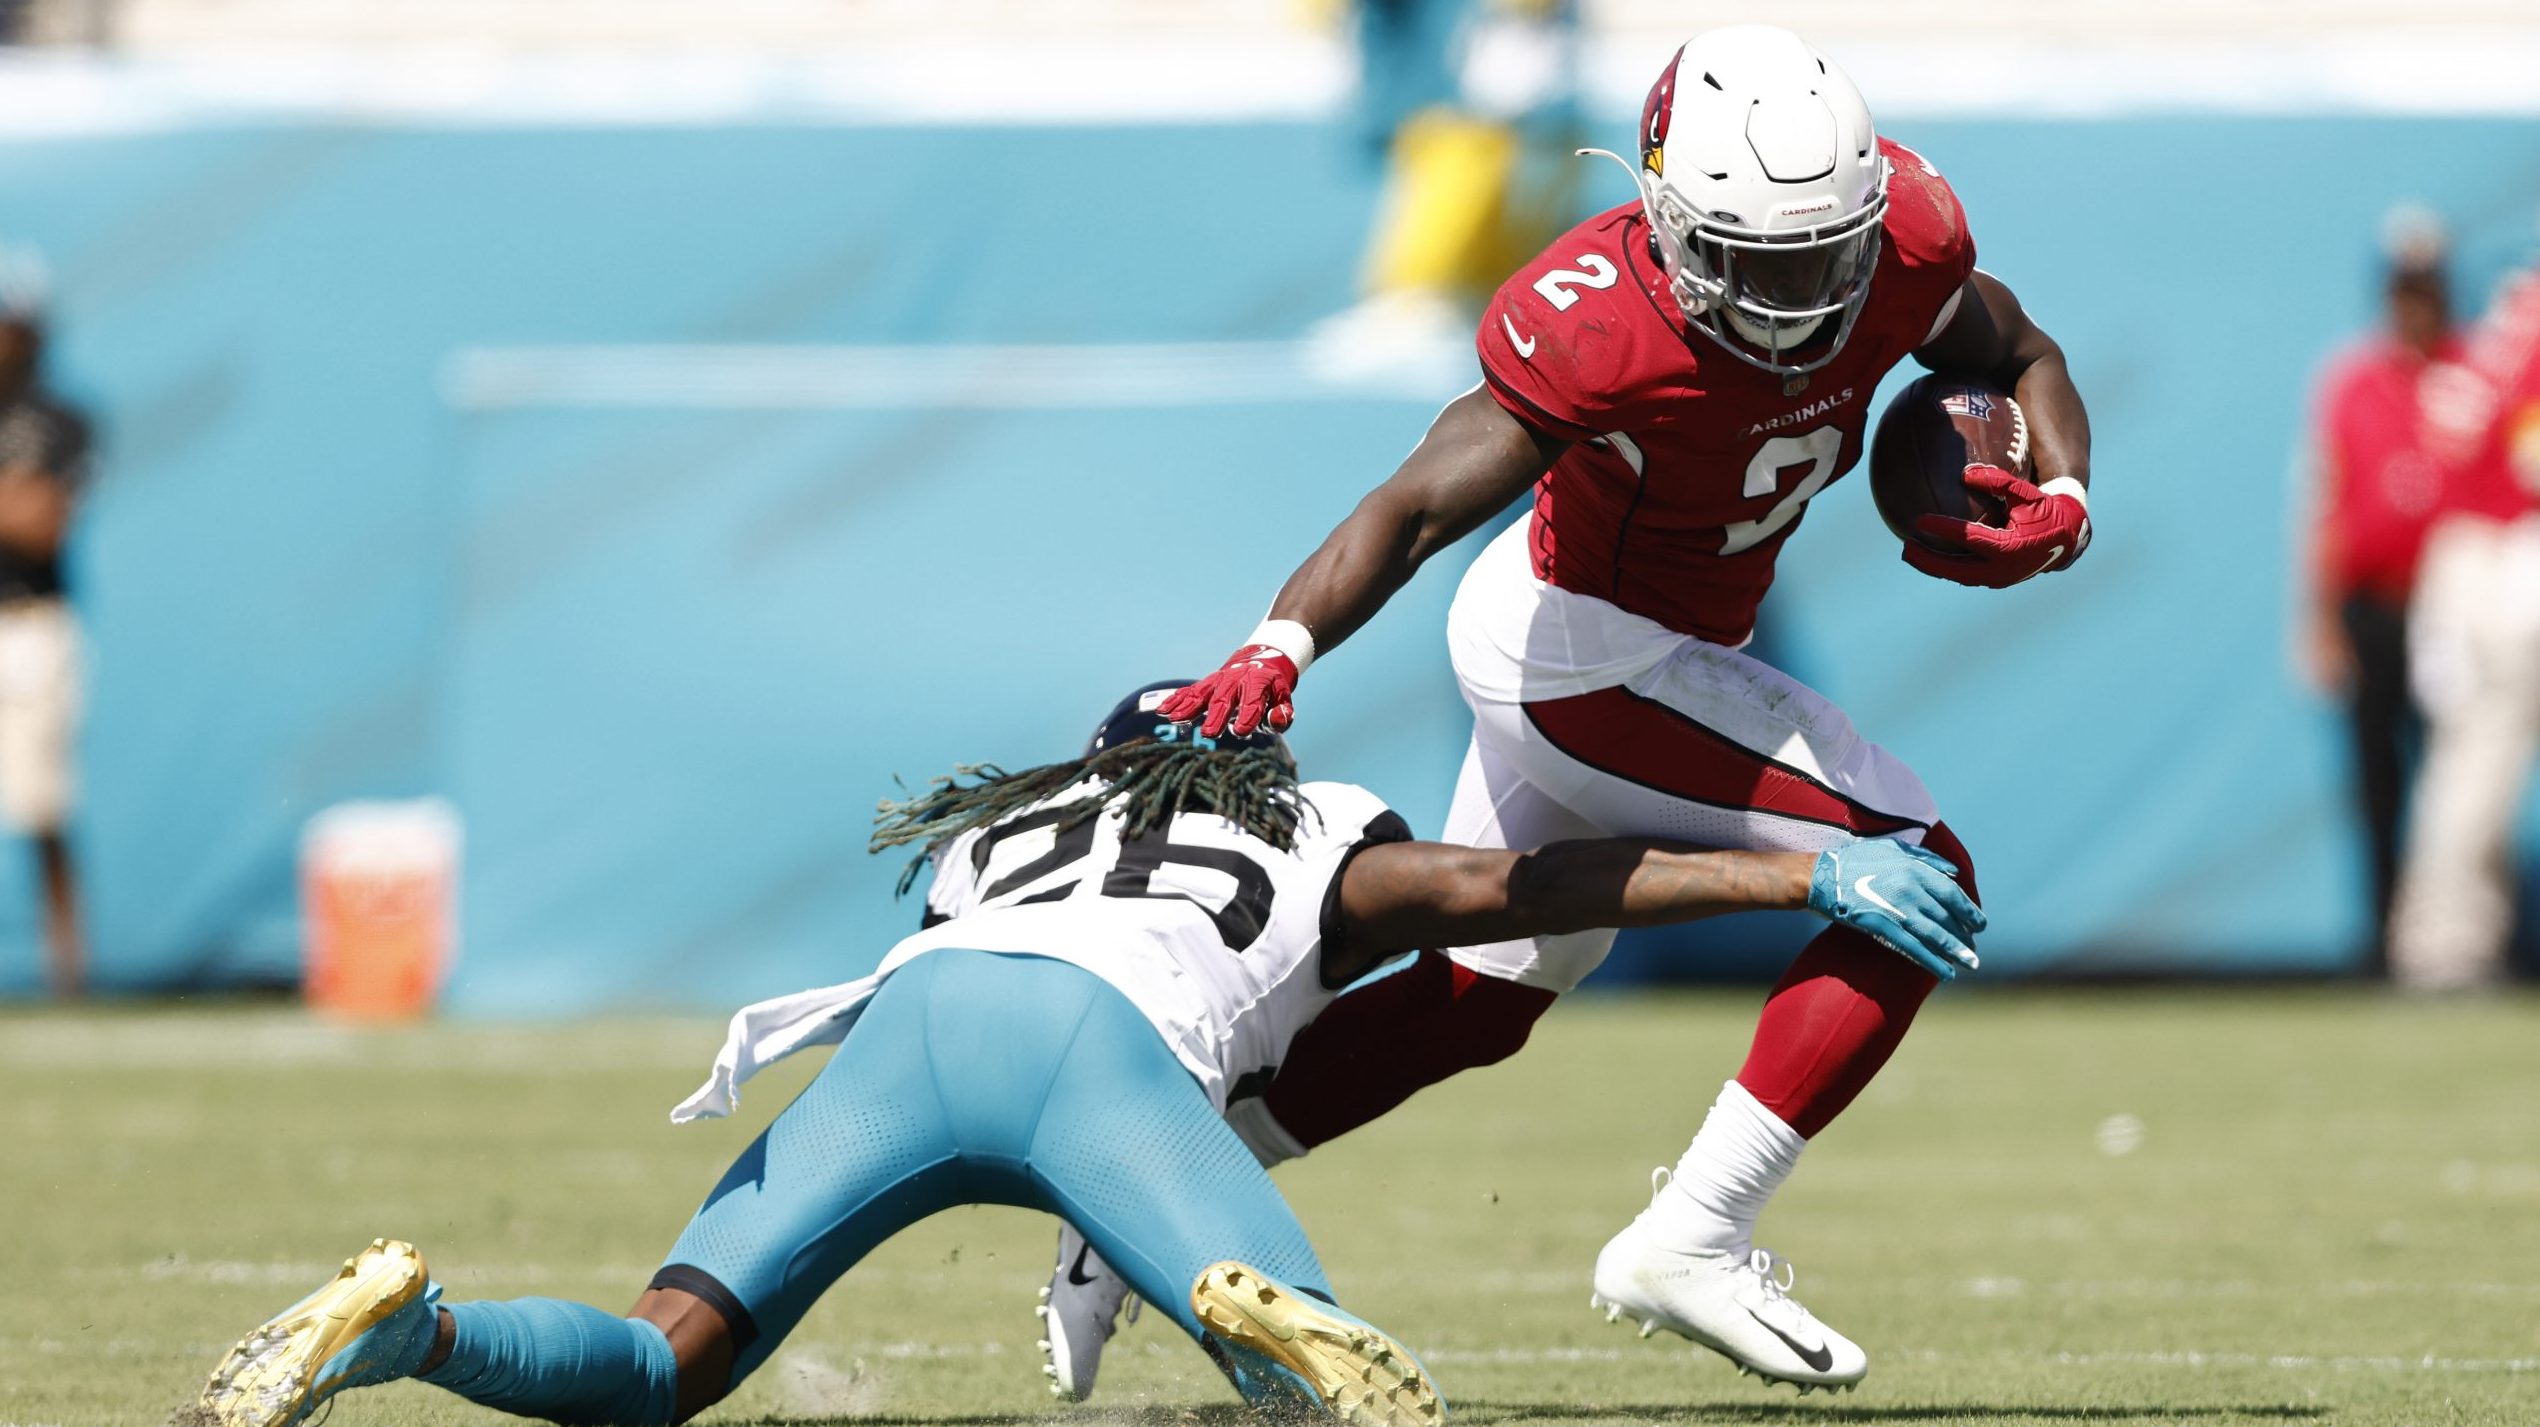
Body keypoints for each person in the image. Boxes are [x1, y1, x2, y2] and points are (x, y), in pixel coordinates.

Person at [1051, 23, 2092, 1397]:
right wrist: (1281, 637)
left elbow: (2021, 349)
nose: (1792, 297)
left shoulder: (1901, 236)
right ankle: (1696, 1232)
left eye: (1817, 258)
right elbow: (1416, 500)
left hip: (1631, 643)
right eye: (1755, 261)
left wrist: (2067, 494)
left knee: (1478, 1000)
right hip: (1587, 655)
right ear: (1665, 218)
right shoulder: (1600, 316)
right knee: (1919, 870)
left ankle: (1130, 1198)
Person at [185, 681, 1981, 1427]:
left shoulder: (1015, 821)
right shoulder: (1305, 827)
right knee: (1302, 1361)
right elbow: (1535, 877)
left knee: (662, 1365)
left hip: (906, 1032)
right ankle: (1236, 1294)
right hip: (1103, 1060)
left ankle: (409, 1331)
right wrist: (1800, 867)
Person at [2294, 210, 2462, 975]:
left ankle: (2449, 938)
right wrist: (2318, 619)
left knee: (2452, 782)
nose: (2415, 304)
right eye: (2404, 289)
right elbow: (2323, 501)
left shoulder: (2472, 375)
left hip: (2452, 611)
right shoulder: (2354, 377)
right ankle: (2387, 938)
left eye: (2425, 288)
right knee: (2378, 782)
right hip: (2373, 610)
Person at [2384, 238, 2540, 991]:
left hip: (2468, 565)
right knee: (2479, 763)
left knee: (2465, 762)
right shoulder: (2521, 343)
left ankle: (2445, 936)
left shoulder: (2489, 340)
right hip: (2508, 561)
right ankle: (2448, 942)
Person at [0, 306, 91, 998]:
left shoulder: (59, 419)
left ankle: (69, 974)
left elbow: (43, 523)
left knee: (41, 805)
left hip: (31, 624)